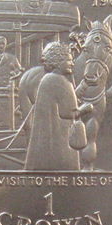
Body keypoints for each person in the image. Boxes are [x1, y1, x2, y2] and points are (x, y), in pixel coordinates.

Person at [24, 42, 81, 171]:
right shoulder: (63, 82)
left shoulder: (46, 79)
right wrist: (87, 108)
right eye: (69, 60)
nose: (72, 64)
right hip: (61, 144)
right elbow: (68, 113)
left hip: (45, 144)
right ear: (58, 62)